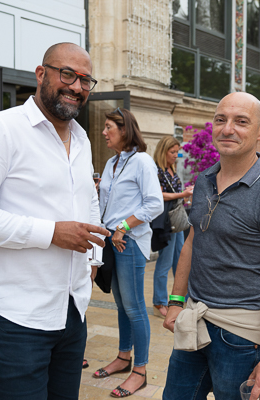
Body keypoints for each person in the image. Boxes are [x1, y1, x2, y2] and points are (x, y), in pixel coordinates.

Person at [0, 43, 111, 400]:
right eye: (67, 74)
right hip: (15, 317)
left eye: (85, 80)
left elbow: (89, 199)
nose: (77, 86)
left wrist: (94, 258)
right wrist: (50, 233)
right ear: (41, 74)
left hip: (73, 309)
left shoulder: (81, 138)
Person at [162, 92, 260, 400]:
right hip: (194, 324)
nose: (228, 129)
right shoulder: (205, 179)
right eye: (221, 120)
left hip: (241, 338)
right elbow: (192, 242)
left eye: (241, 121)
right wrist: (175, 300)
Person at [93, 107, 163, 398]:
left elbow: (154, 204)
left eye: (109, 127)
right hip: (112, 240)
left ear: (125, 130)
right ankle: (124, 358)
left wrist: (122, 226)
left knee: (135, 308)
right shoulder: (112, 162)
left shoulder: (142, 161)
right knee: (122, 306)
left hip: (129, 241)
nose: (104, 132)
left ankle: (140, 371)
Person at [151, 136, 193, 318]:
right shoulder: (157, 171)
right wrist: (182, 194)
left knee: (180, 260)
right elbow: (158, 195)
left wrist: (184, 195)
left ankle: (181, 298)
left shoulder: (171, 169)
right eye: (172, 152)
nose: (176, 155)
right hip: (166, 221)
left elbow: (174, 194)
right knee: (165, 262)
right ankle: (159, 301)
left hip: (176, 219)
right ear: (164, 151)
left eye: (177, 151)